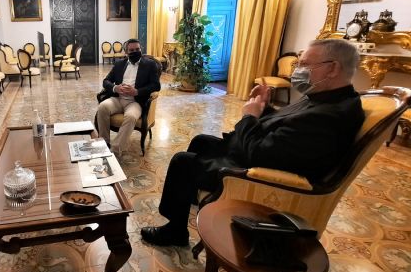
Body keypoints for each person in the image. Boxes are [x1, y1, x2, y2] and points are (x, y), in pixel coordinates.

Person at [141, 39, 365, 246]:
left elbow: (259, 154)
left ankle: (175, 232)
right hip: (266, 151)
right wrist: (264, 106)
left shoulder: (328, 116)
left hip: (258, 170)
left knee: (182, 162)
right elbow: (287, 124)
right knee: (201, 141)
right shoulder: (326, 99)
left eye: (304, 64)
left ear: (332, 68)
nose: (297, 71)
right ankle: (190, 193)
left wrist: (249, 116)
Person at [97, 39, 161, 156]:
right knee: (102, 107)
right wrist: (115, 88)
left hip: (135, 102)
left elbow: (156, 85)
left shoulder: (149, 65)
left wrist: (137, 91)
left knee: (131, 117)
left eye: (137, 49)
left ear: (141, 49)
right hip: (117, 99)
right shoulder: (119, 64)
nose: (135, 52)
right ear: (126, 52)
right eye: (131, 50)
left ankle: (115, 150)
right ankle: (104, 143)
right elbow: (106, 81)